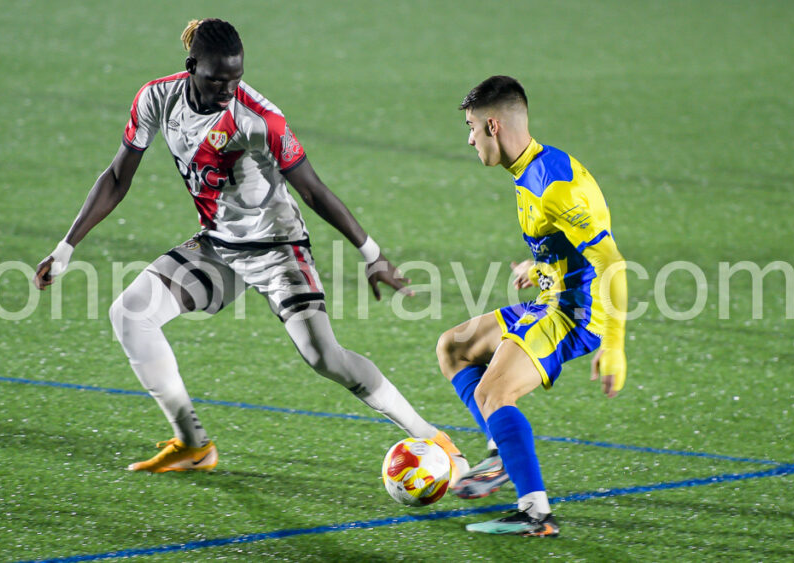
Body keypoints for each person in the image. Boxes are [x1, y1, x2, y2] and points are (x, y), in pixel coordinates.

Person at [32, 18, 468, 476]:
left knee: (324, 357)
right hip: (218, 247)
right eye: (217, 79)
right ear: (191, 67)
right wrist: (66, 247)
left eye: (235, 78)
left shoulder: (259, 119)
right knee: (129, 313)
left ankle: (432, 438)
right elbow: (117, 177)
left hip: (278, 249)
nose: (227, 89)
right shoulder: (157, 98)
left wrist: (372, 253)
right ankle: (193, 444)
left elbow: (313, 190)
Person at [436, 76, 628, 537]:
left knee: (492, 393)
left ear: (493, 125)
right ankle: (502, 452)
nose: (469, 139)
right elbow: (570, 247)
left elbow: (612, 263)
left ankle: (536, 514)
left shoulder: (553, 187)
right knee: (454, 348)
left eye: (471, 127)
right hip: (553, 300)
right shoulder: (534, 166)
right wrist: (541, 267)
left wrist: (615, 345)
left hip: (575, 315)